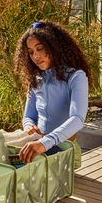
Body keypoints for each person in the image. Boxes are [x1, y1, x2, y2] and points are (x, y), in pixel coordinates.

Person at [13, 21, 91, 168]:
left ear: (54, 46)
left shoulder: (76, 77)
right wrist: (29, 126)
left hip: (63, 149)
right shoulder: (36, 79)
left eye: (40, 48)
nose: (35, 56)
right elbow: (28, 116)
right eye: (30, 52)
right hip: (38, 145)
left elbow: (77, 118)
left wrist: (44, 143)